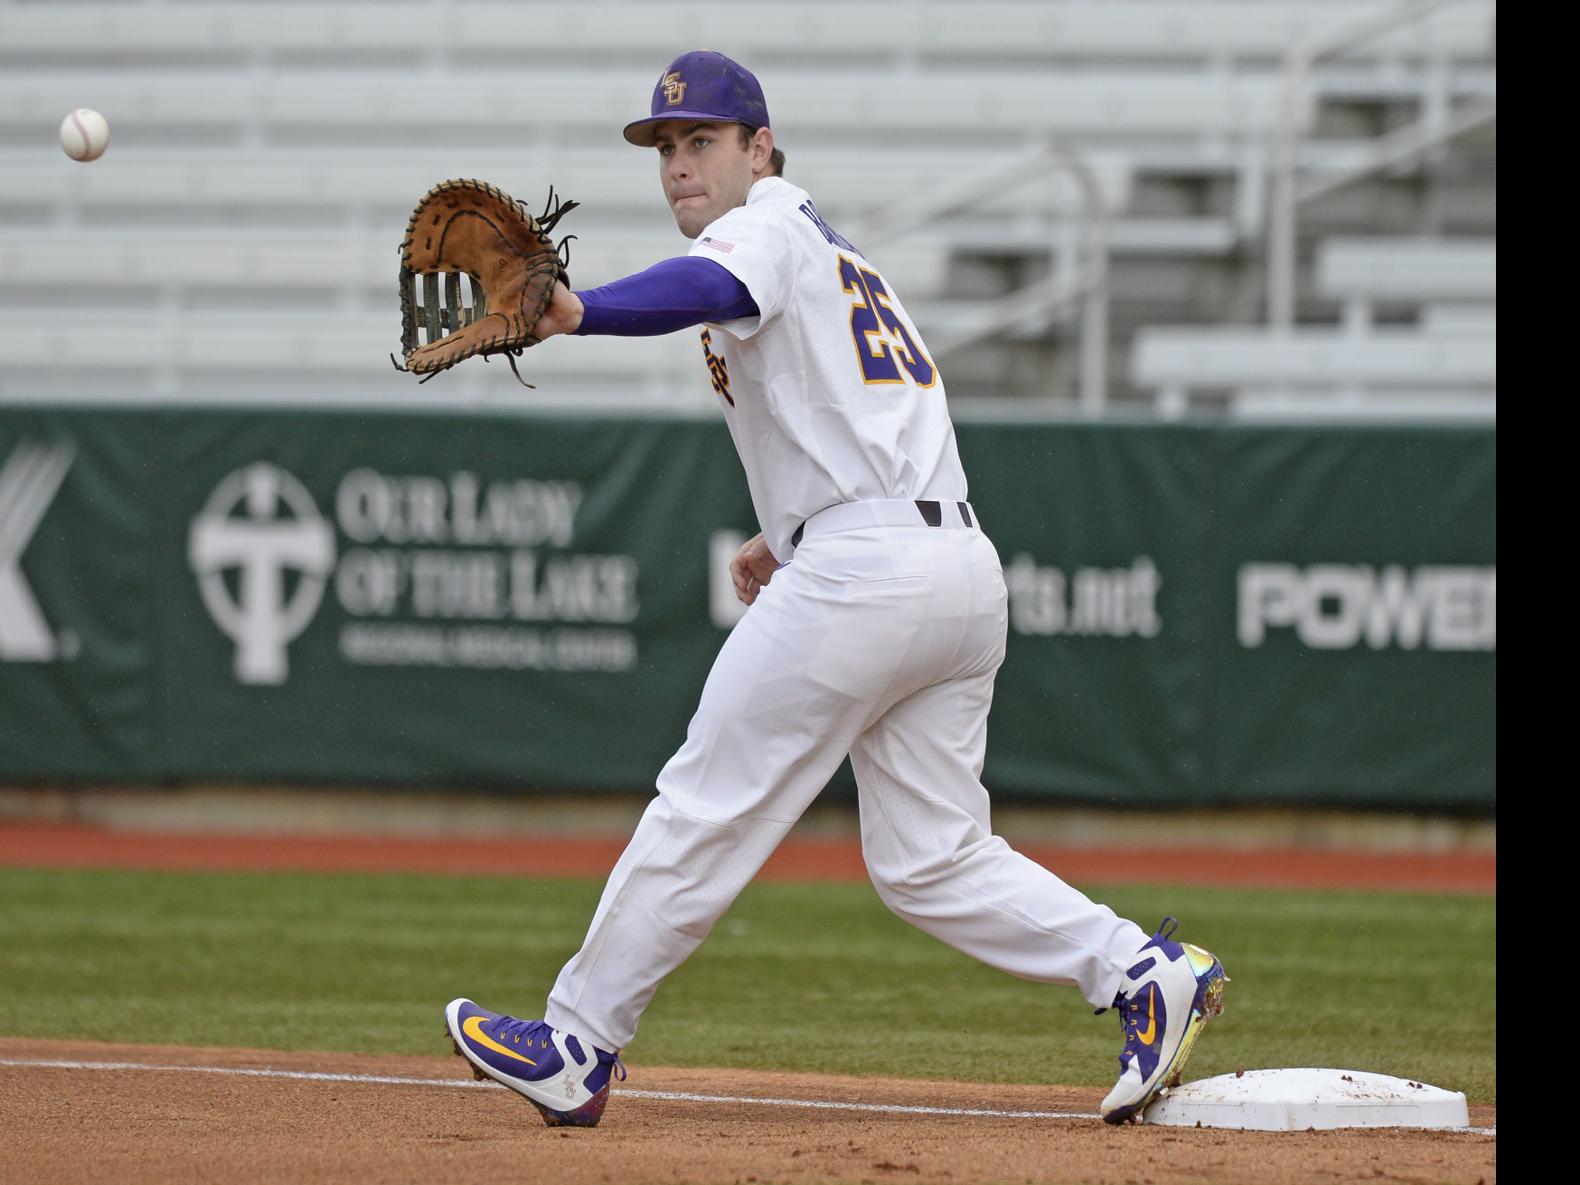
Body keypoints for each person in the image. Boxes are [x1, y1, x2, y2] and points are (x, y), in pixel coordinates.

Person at [443, 50, 1226, 1129]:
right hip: (948, 564)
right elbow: (855, 406)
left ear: (760, 147)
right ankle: (1141, 970)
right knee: (928, 859)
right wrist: (787, 533)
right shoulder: (832, 247)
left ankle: (578, 1040)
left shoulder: (761, 224)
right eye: (665, 147)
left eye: (701, 141)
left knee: (708, 796)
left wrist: (580, 311)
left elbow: (711, 288)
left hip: (868, 573)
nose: (679, 164)